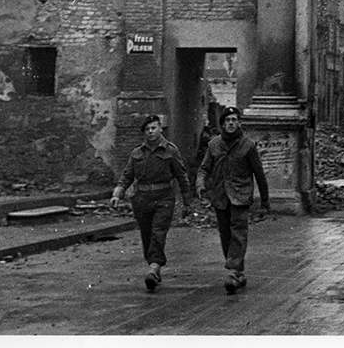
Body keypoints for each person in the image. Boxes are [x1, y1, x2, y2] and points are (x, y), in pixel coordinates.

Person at [110, 114, 193, 291]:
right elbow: (127, 176)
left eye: (154, 128)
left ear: (160, 128)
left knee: (158, 232)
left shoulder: (170, 150)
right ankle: (153, 265)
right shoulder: (137, 153)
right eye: (147, 129)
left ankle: (154, 267)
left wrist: (187, 199)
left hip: (164, 197)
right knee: (147, 234)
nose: (151, 132)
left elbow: (181, 175)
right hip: (142, 199)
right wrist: (117, 194)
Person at [197, 105, 270, 293]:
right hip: (220, 196)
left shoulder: (248, 146)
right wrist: (200, 183)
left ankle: (232, 270)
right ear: (222, 124)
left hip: (240, 196)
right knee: (225, 235)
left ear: (239, 123)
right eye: (227, 121)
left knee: (238, 233)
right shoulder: (214, 145)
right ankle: (238, 272)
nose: (231, 123)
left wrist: (265, 201)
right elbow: (204, 168)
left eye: (234, 120)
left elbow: (259, 174)